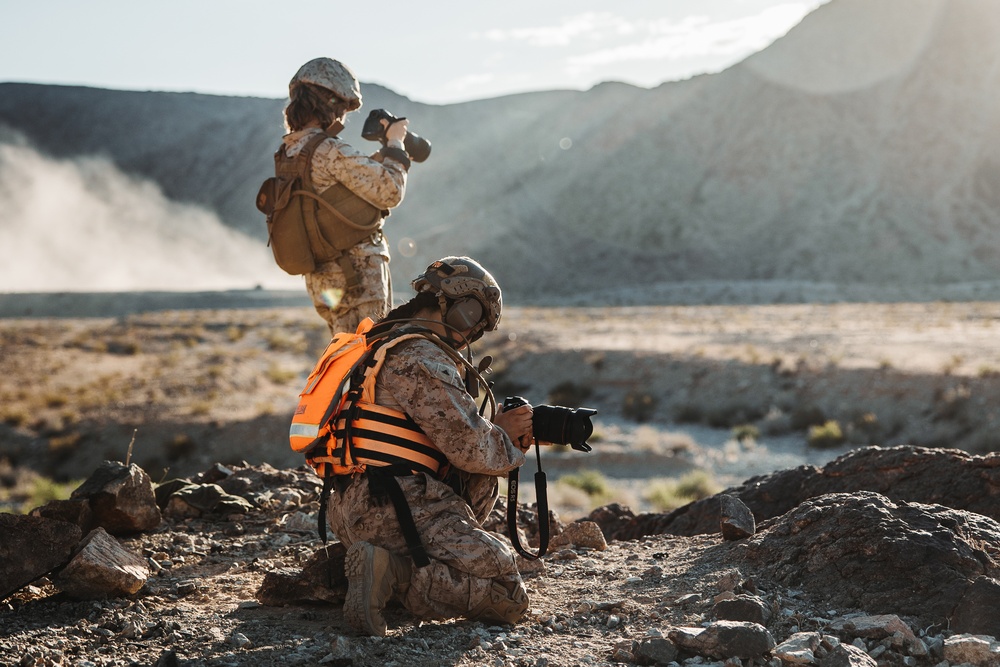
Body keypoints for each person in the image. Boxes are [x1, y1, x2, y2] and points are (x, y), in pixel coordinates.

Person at [324, 256, 536, 636]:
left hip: (351, 506)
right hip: (397, 505)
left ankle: (356, 574)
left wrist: (500, 436)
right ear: (459, 305)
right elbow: (471, 449)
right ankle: (392, 573)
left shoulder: (379, 344)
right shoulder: (421, 356)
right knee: (508, 591)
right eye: (475, 320)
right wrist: (502, 435)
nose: (472, 335)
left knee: (464, 556)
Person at [281, 57, 412, 335]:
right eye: (342, 107)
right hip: (357, 279)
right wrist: (396, 144)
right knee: (369, 364)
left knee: (346, 361)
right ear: (330, 102)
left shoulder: (290, 151)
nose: (342, 116)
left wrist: (372, 161)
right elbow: (390, 191)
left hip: (324, 280)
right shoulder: (328, 149)